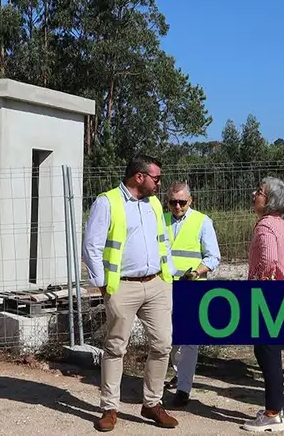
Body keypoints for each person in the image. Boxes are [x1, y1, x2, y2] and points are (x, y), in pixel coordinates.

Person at [82, 154, 179, 431]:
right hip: (122, 286)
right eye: (156, 178)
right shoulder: (108, 201)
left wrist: (167, 274)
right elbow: (91, 245)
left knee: (162, 344)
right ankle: (110, 408)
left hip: (157, 284)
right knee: (115, 347)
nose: (159, 183)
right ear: (139, 177)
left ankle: (152, 403)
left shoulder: (155, 204)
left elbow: (164, 242)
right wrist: (102, 282)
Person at [241, 177, 284, 433]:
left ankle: (272, 413)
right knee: (271, 353)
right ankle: (277, 408)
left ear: (271, 200)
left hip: (266, 296)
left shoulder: (265, 226)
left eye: (260, 191)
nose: (255, 194)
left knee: (266, 354)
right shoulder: (281, 225)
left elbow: (269, 260)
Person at [163, 181, 221, 407]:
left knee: (189, 341)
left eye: (182, 202)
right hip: (166, 286)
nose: (177, 206)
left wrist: (196, 272)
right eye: (173, 202)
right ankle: (179, 374)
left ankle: (184, 389)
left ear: (191, 201)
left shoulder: (202, 222)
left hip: (192, 286)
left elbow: (213, 257)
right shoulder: (161, 221)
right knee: (168, 338)